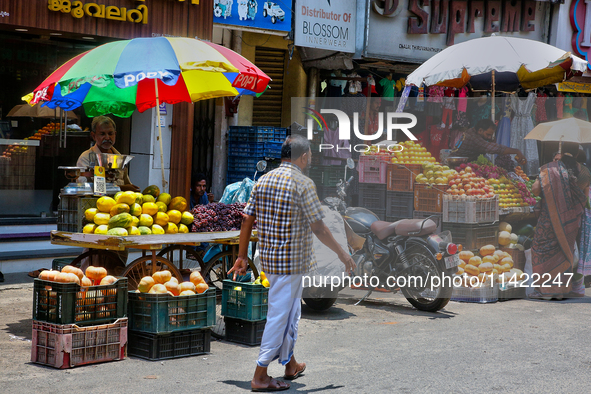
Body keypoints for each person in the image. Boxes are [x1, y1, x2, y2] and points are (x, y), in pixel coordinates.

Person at [229, 135, 356, 392]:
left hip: (270, 260)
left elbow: (246, 219)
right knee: (279, 316)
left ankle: (290, 364)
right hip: (290, 264)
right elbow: (319, 228)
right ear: (304, 156)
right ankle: (260, 375)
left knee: (291, 314)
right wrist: (343, 254)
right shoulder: (303, 183)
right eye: (309, 156)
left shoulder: (263, 180)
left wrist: (242, 256)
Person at [529, 142, 588, 299]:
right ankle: (562, 291)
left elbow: (535, 190)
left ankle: (544, 292)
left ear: (561, 151)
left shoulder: (550, 169)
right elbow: (584, 196)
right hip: (572, 221)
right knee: (564, 252)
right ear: (577, 153)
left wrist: (540, 179)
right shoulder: (585, 172)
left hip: (550, 219)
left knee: (540, 250)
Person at [76, 116, 140, 192]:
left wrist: (132, 189)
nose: (107, 137)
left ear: (115, 134)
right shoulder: (86, 158)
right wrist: (122, 188)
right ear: (93, 136)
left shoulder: (119, 157)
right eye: (102, 134)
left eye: (110, 133)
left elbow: (126, 183)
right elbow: (85, 187)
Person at [452, 119, 527, 164]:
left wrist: (489, 140)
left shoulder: (472, 130)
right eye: (488, 134)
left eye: (490, 135)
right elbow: (493, 148)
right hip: (458, 165)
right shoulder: (474, 138)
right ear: (480, 130)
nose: (489, 137)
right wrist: (517, 151)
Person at [575, 149, 591, 293]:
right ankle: (580, 283)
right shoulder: (585, 171)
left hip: (581, 214)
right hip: (583, 213)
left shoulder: (581, 172)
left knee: (580, 247)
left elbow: (585, 198)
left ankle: (579, 284)